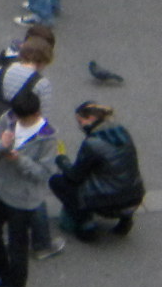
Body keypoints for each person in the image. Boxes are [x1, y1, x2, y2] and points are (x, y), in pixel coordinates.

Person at [0, 88, 57, 287]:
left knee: (17, 244)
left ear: (36, 113)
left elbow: (43, 173)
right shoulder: (8, 118)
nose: (19, 121)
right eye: (18, 117)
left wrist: (19, 159)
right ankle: (3, 274)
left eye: (25, 118)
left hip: (22, 199)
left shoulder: (47, 136)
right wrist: (1, 145)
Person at [51, 102, 144, 241]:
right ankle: (125, 221)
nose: (80, 126)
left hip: (107, 202)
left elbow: (75, 176)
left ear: (90, 118)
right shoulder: (122, 132)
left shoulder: (92, 143)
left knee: (57, 182)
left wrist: (62, 160)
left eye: (80, 121)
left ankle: (85, 225)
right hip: (135, 195)